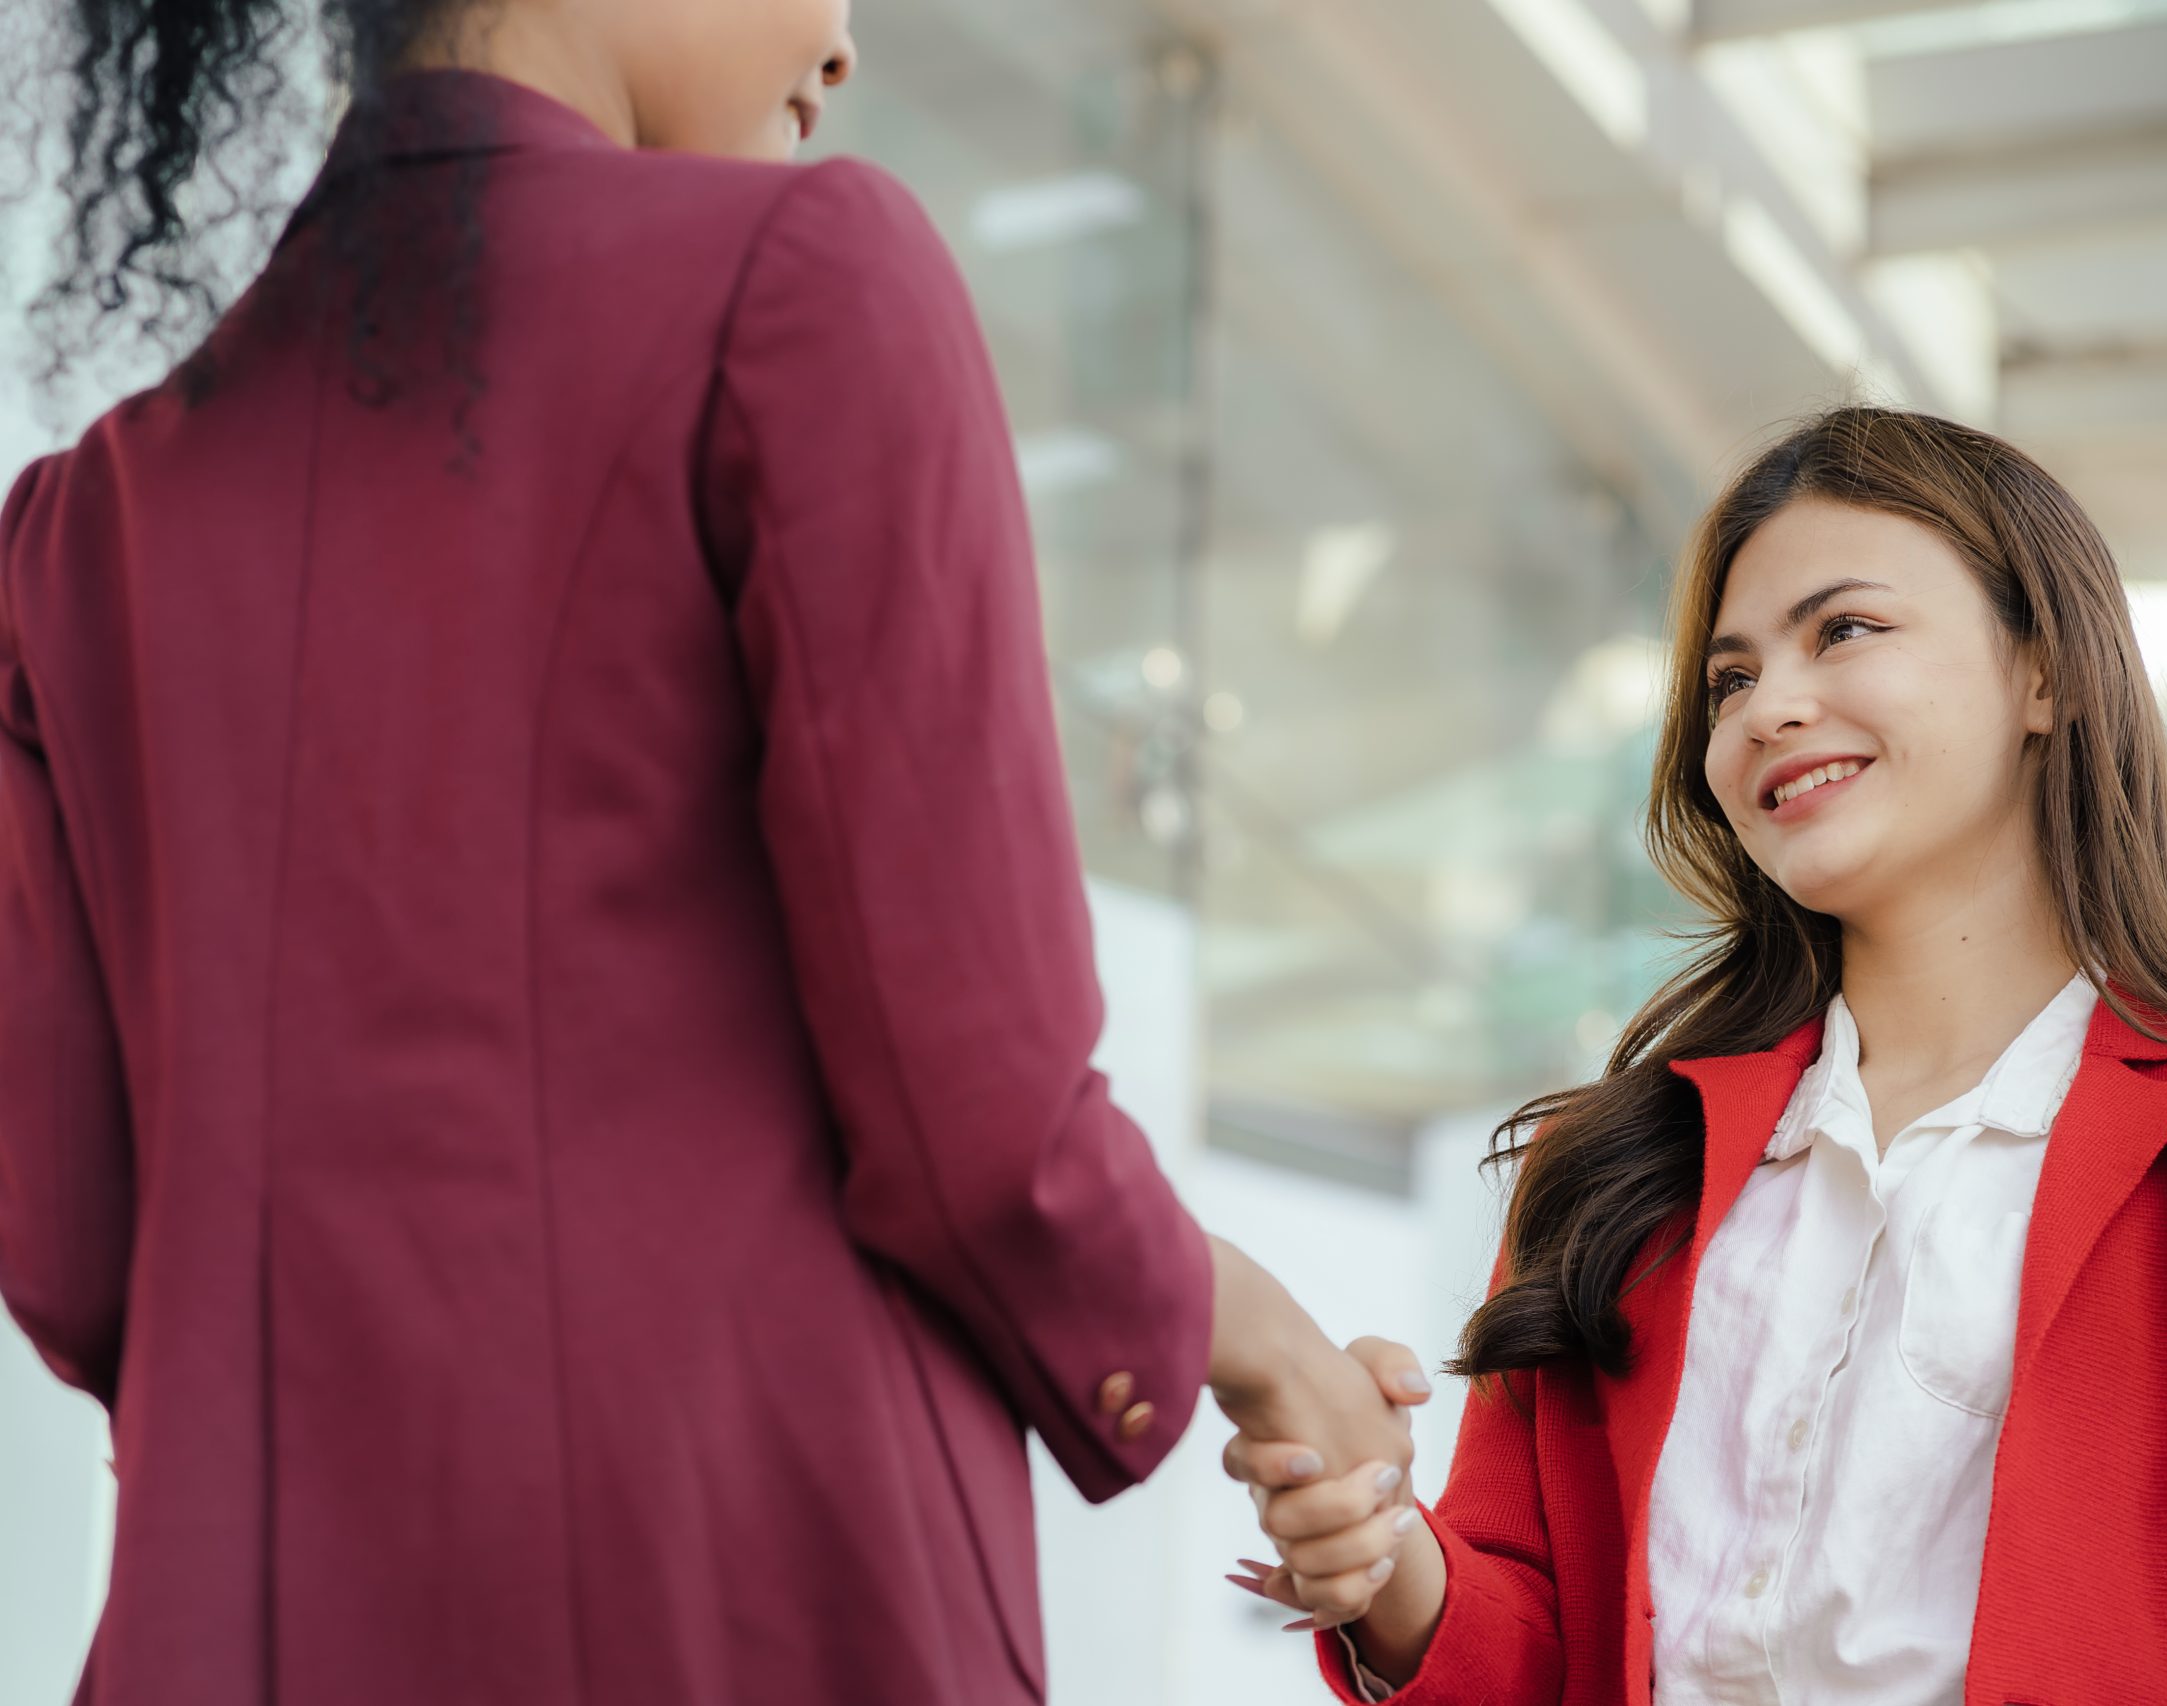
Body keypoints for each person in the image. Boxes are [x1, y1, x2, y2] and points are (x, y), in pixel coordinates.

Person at [0, 3, 1410, 1703]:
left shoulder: (74, 531)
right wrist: (1256, 1340)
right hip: (747, 1605)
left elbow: (79, 1251)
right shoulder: (805, 279)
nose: (839, 47)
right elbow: (976, 1105)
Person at [1224, 407, 2167, 1705]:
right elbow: (1537, 1654)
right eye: (1730, 678)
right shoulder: (1614, 1166)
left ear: (2042, 672)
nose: (1770, 706)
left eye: (1845, 630)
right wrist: (1379, 1550)